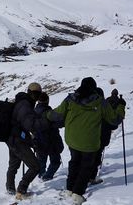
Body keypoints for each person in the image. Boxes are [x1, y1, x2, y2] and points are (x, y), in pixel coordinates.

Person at [47, 77, 125, 205]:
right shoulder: (100, 102)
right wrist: (121, 106)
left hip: (72, 139)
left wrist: (46, 114)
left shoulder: (70, 99)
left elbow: (56, 115)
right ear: (94, 88)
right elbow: (114, 119)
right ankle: (78, 193)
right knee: (85, 167)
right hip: (90, 142)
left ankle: (69, 189)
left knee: (74, 162)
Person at [6, 82, 50, 200]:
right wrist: (46, 122)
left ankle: (10, 189)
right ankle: (21, 191)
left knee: (13, 165)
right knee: (35, 166)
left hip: (12, 138)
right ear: (30, 93)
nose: (37, 96)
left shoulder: (23, 102)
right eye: (36, 93)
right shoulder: (25, 105)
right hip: (17, 140)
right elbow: (31, 124)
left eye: (38, 94)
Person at [88, 88, 126, 185]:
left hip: (89, 135)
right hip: (103, 134)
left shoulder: (89, 104)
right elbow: (114, 122)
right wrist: (121, 107)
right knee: (96, 156)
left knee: (88, 157)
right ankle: (91, 178)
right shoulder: (106, 104)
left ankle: (85, 176)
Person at [33, 92, 64, 181]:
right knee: (55, 161)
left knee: (41, 161)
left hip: (38, 141)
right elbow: (59, 123)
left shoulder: (33, 112)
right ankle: (47, 176)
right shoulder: (49, 113)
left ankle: (41, 175)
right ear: (47, 100)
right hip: (52, 141)